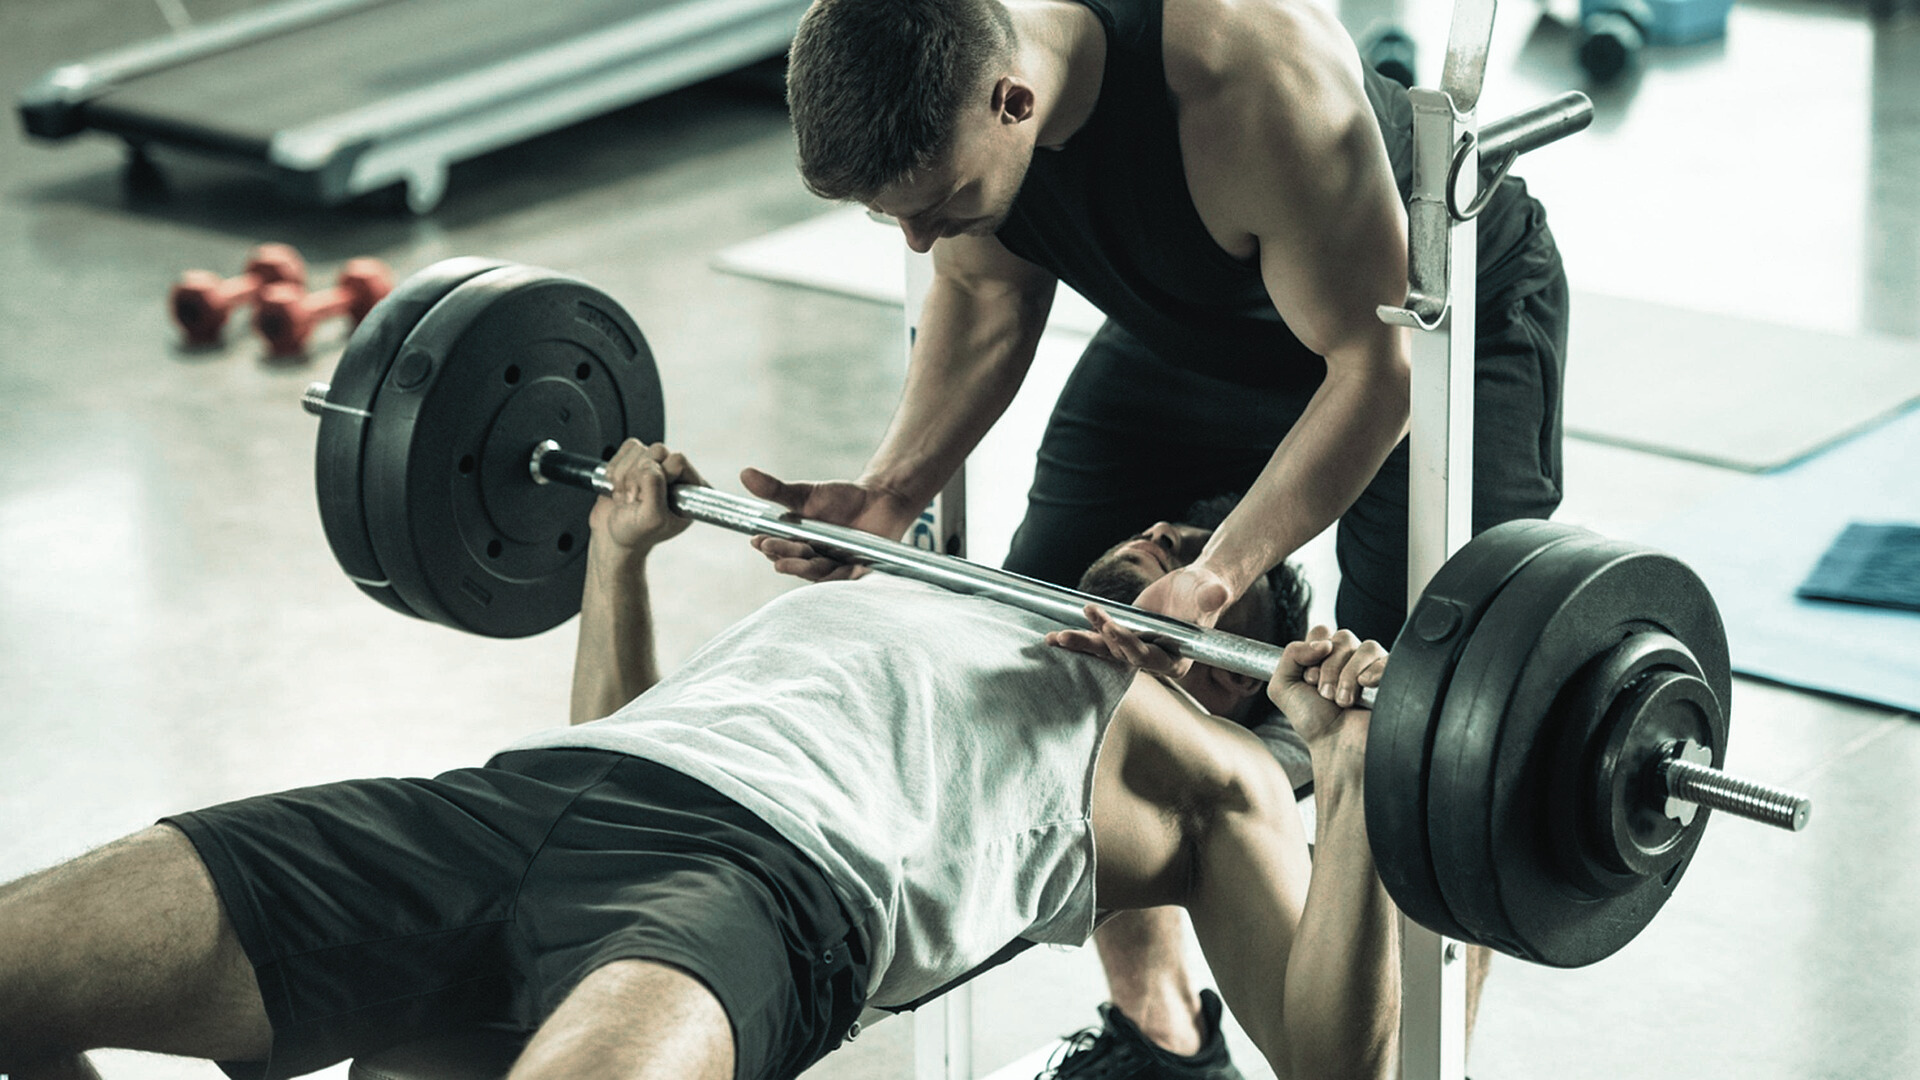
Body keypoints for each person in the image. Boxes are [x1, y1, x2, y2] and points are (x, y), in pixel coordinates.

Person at [0, 441, 1399, 1080]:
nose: (1161, 552)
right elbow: (627, 726)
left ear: (1239, 664)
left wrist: (1349, 778)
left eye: (1210, 576)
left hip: (768, 897)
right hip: (524, 802)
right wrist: (619, 561)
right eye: (1162, 534)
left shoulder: (1203, 768)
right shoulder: (912, 589)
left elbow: (1340, 1065)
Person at [751, 0, 1554, 1067]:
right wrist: (892, 492)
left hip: (1425, 341)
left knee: (1427, 731)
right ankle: (1164, 1036)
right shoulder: (971, 89)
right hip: (1195, 326)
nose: (914, 237)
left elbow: (1374, 372)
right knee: (1041, 653)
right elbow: (986, 294)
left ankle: (1406, 1062)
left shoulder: (1245, 76)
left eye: (937, 201)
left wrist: (1217, 576)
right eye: (890, 217)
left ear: (1015, 102)